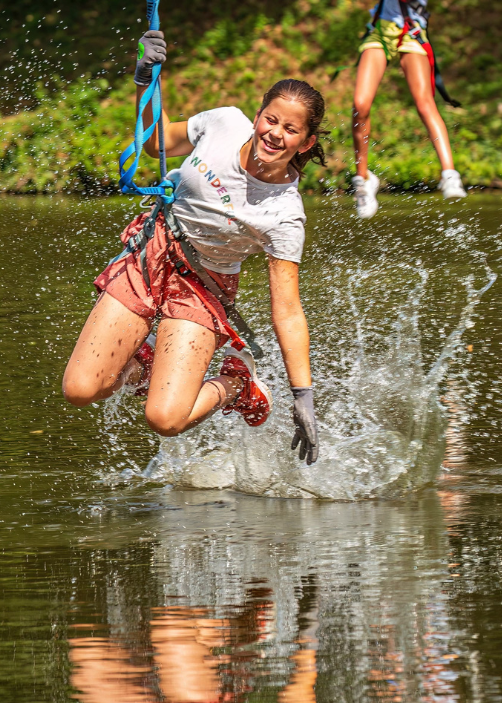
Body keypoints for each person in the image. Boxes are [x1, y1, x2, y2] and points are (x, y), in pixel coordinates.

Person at [62, 31, 321, 465]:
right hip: (151, 253)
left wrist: (303, 394)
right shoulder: (223, 122)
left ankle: (238, 384)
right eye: (271, 120)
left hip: (202, 286)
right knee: (81, 390)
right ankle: (146, 365)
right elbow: (156, 142)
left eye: (290, 129)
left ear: (307, 142)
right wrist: (146, 78)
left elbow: (288, 310)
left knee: (165, 418)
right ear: (258, 115)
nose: (274, 134)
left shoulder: (284, 215)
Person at [350, 0, 465, 219]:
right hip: (380, 31)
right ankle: (363, 179)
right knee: (360, 104)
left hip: (411, 34)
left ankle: (449, 173)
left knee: (424, 101)